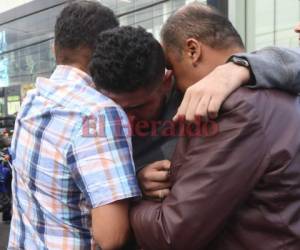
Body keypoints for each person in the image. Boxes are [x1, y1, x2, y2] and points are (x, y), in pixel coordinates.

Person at [88, 5, 300, 250]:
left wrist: (236, 69)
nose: (127, 119)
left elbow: (173, 231)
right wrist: (135, 182)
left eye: (137, 107)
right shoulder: (104, 123)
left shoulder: (226, 106)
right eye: (116, 109)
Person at [8, 1, 140, 249]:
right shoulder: (99, 113)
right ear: (107, 51)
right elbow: (111, 236)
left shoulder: (32, 100)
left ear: (54, 48)